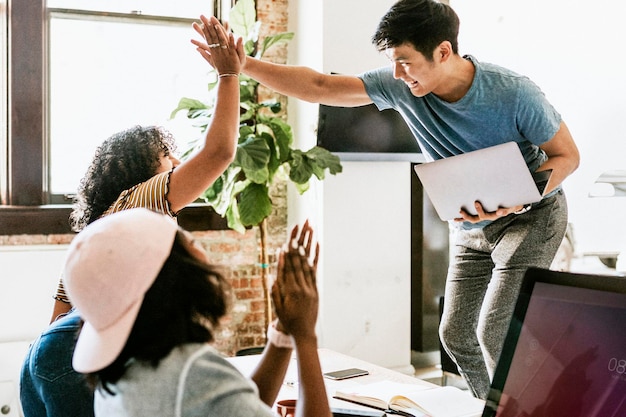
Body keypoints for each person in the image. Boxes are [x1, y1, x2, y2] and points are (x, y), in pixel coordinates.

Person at [192, 1, 580, 399]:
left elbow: (568, 155)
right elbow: (321, 87)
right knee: (456, 334)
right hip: (470, 223)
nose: (397, 73)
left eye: (405, 61)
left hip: (532, 216)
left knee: (494, 330)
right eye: (392, 62)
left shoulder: (514, 92)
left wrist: (518, 198)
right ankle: (495, 408)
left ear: (443, 52)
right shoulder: (402, 85)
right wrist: (243, 66)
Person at [20, 16, 244, 416]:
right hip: (71, 354)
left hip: (45, 354)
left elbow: (62, 313)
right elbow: (218, 153)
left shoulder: (100, 229)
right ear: (139, 172)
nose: (177, 162)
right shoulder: (140, 200)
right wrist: (228, 75)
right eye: (166, 158)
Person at [62, 208, 331, 417]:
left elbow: (236, 408)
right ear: (173, 274)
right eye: (183, 238)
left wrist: (284, 330)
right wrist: (305, 336)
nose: (196, 243)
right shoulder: (188, 372)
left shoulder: (119, 370)